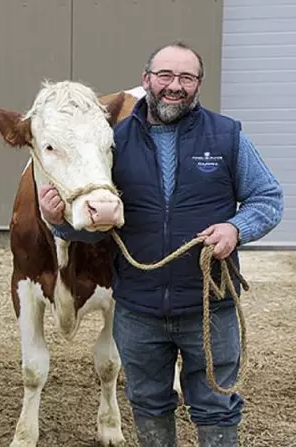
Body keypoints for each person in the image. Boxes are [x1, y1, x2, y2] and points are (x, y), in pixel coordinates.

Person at [39, 42, 283, 446]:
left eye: (186, 78)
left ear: (198, 84)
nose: (175, 86)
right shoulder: (115, 143)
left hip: (209, 306)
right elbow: (101, 228)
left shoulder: (227, 136)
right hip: (138, 311)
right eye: (165, 76)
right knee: (148, 403)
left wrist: (236, 229)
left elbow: (268, 198)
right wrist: (58, 223)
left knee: (216, 405)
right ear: (146, 79)